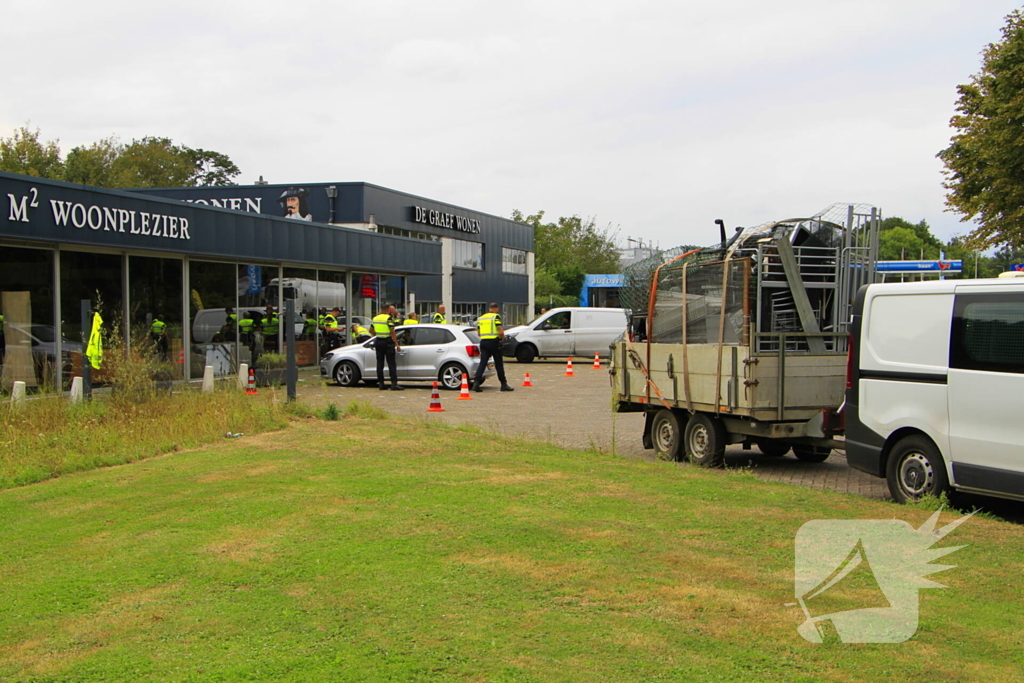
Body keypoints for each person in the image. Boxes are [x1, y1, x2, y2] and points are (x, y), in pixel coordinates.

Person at [472, 302, 513, 393]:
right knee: (499, 364)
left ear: (489, 309)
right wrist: (502, 339)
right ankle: (504, 384)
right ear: (496, 309)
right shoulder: (495, 317)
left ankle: (476, 383)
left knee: (482, 363)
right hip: (494, 342)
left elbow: (479, 333)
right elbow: (501, 331)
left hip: (483, 342)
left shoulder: (481, 318)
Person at [372, 305, 404, 390]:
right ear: (387, 310)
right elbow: (392, 331)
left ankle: (381, 384)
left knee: (380, 363)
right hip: (387, 342)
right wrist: (396, 343)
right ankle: (394, 384)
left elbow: (370, 330)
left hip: (378, 341)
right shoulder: (388, 318)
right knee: (391, 363)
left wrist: (378, 334)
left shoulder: (375, 318)